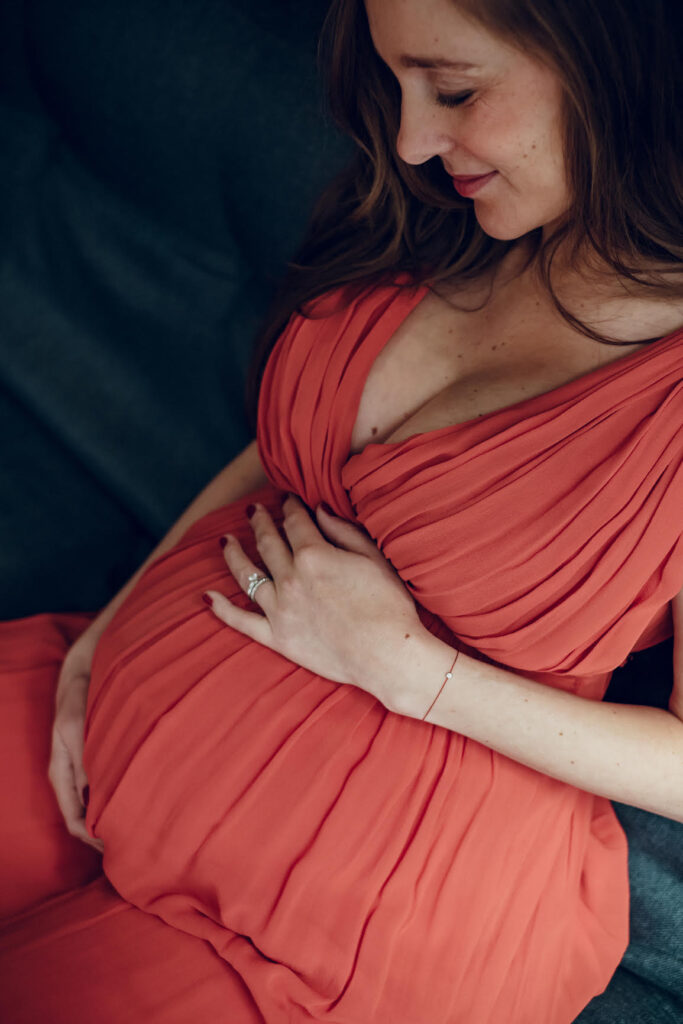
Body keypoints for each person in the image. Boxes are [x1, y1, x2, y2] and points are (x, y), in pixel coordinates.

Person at [1, 0, 681, 1021]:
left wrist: (415, 673)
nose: (410, 140)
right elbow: (284, 454)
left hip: (336, 911)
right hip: (107, 727)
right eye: (395, 84)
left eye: (452, 90)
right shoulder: (443, 220)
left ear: (612, 63)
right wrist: (108, 633)